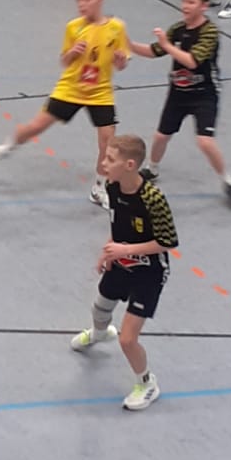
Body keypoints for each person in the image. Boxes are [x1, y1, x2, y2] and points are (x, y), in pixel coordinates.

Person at [0, 0, 129, 203]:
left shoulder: (117, 28)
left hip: (100, 93)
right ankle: (6, 147)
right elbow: (64, 61)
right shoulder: (74, 27)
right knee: (36, 126)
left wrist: (120, 60)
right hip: (71, 89)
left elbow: (122, 64)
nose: (82, 5)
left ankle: (99, 187)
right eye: (79, 0)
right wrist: (73, 52)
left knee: (108, 141)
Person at [69, 134, 177, 411]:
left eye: (110, 159)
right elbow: (118, 224)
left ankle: (147, 383)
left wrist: (125, 250)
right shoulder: (113, 187)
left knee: (128, 339)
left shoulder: (153, 198)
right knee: (100, 306)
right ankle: (99, 333)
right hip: (121, 260)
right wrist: (107, 252)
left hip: (149, 272)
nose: (103, 164)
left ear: (129, 165)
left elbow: (167, 242)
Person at [125, 0, 231, 207]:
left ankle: (227, 180)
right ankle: (152, 168)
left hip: (204, 94)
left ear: (204, 6)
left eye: (191, 2)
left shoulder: (209, 32)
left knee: (205, 141)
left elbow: (192, 61)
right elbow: (153, 51)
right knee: (161, 136)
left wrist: (168, 45)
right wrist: (128, 43)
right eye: (184, 1)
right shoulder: (178, 29)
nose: (186, 6)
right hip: (178, 93)